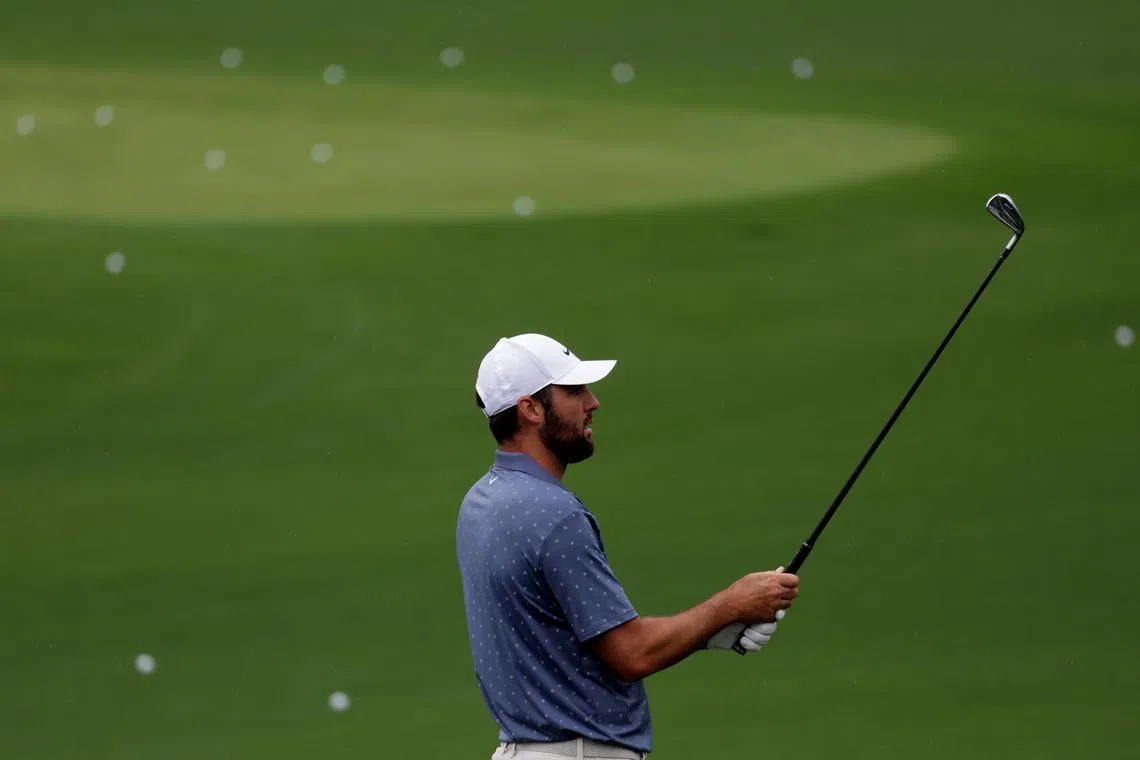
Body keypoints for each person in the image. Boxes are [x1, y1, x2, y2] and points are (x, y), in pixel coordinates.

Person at [456, 333, 800, 760]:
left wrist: (709, 634)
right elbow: (631, 654)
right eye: (574, 391)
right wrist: (731, 604)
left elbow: (560, 643)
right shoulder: (553, 514)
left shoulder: (480, 502)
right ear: (531, 409)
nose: (593, 402)